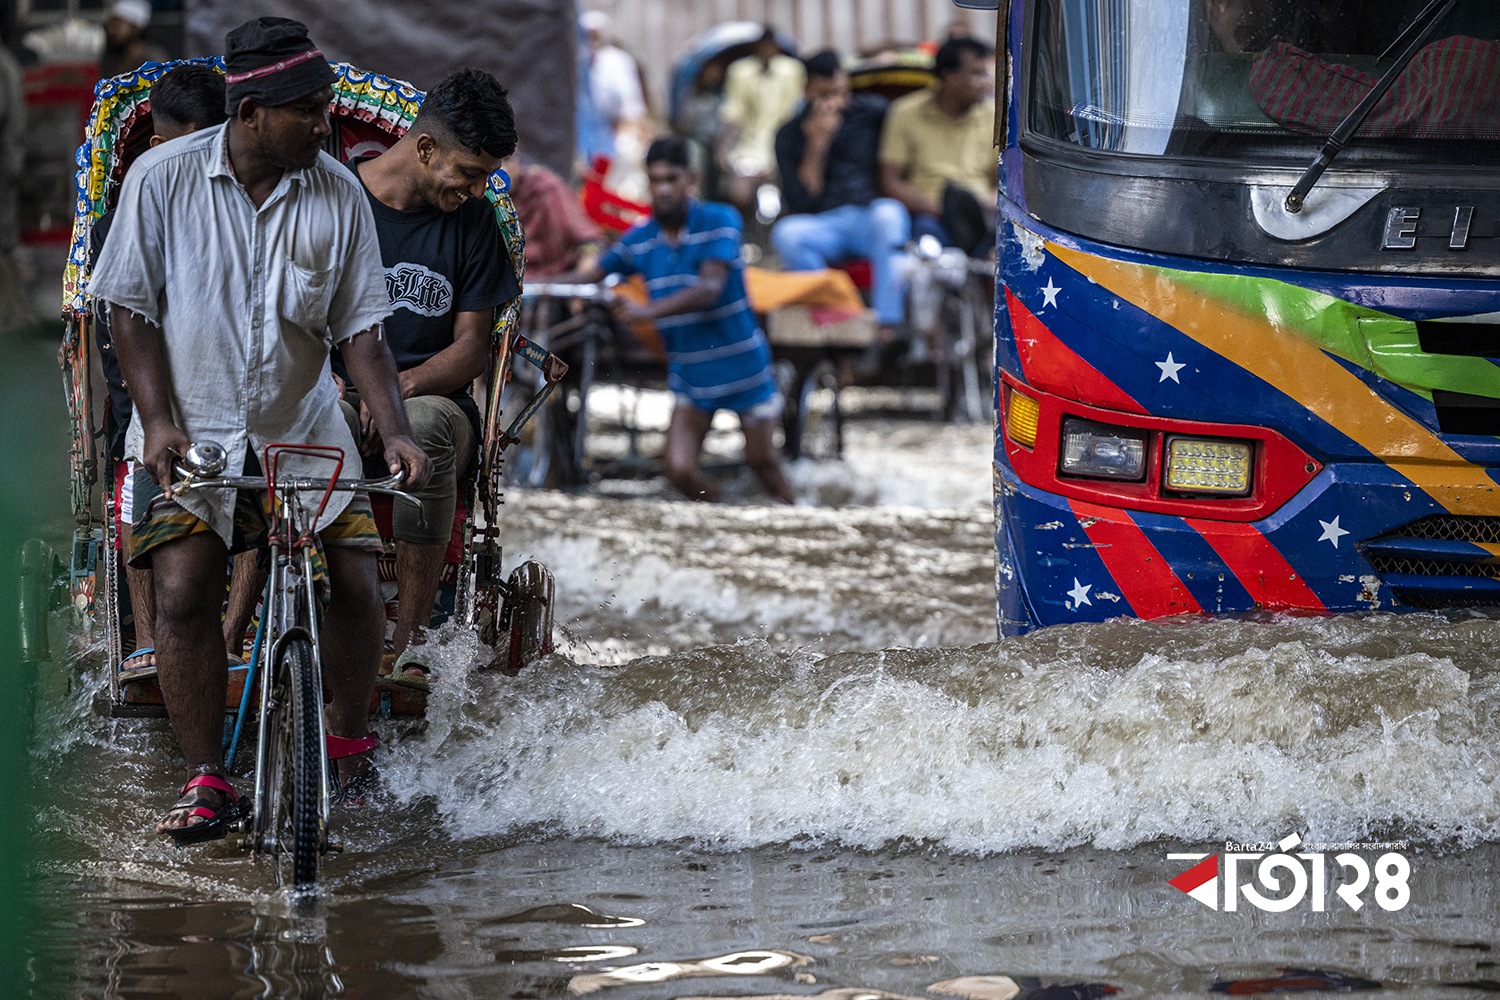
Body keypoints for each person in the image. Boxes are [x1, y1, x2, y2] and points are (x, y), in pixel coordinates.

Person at [88, 17, 432, 842]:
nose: (325, 126)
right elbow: (127, 310)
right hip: (192, 428)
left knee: (355, 580)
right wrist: (159, 421)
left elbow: (364, 333)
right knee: (181, 591)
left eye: (327, 108)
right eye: (309, 111)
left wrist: (395, 431)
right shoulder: (160, 179)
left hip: (301, 423)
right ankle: (207, 777)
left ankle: (346, 752)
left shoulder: (338, 191)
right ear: (250, 113)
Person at [334, 68, 521, 664]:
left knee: (423, 422)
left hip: (437, 400)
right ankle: (316, 613)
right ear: (424, 147)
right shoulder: (336, 200)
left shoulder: (473, 223)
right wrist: (349, 384)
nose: (474, 188)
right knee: (313, 422)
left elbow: (472, 348)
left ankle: (410, 639)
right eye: (468, 173)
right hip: (333, 387)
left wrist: (392, 389)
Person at [88, 64, 231, 677]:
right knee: (135, 475)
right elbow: (117, 327)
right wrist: (152, 416)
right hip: (147, 391)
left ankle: (229, 637)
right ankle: (146, 644)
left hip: (231, 386)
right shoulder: (128, 213)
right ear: (158, 145)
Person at [559, 138, 795, 505]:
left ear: (692, 180)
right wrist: (527, 282)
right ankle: (724, 514)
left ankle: (791, 512)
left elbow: (709, 289)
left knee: (763, 462)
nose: (663, 189)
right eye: (655, 180)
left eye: (672, 179)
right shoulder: (640, 239)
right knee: (680, 470)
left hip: (741, 367)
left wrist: (644, 313)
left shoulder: (721, 220)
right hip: (690, 375)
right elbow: (592, 276)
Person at [770, 50, 910, 339]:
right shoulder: (789, 134)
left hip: (867, 217)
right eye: (825, 94)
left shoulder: (871, 113)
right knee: (786, 234)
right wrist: (818, 143)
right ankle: (837, 319)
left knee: (890, 214)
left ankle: (887, 323)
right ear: (807, 90)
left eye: (841, 92)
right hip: (823, 224)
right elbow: (802, 201)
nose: (836, 102)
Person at [879, 37, 996, 255]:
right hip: (929, 216)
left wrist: (988, 202)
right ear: (950, 77)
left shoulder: (993, 115)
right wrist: (942, 211)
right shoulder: (905, 112)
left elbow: (1005, 183)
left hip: (983, 216)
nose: (985, 82)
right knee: (927, 240)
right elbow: (890, 181)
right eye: (977, 74)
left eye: (985, 74)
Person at [715, 26, 804, 218]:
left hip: (783, 145)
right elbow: (732, 113)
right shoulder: (740, 71)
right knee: (740, 194)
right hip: (749, 147)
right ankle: (744, 237)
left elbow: (795, 112)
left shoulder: (792, 71)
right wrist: (722, 148)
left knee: (790, 197)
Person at [504, 151, 603, 278]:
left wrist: (580, 285)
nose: (503, 169)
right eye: (494, 164)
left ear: (517, 159)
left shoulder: (546, 187)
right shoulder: (478, 198)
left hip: (560, 286)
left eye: (507, 160)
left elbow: (590, 241)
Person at [99, 0, 166, 78]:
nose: (111, 30)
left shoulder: (153, 60)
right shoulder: (110, 59)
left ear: (136, 29)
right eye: (111, 25)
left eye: (118, 25)